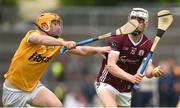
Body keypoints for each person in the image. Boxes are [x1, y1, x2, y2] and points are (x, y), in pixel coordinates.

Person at [2, 12, 111, 107]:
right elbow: (41, 39)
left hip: (33, 87)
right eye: (55, 24)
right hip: (14, 91)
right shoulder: (32, 35)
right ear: (44, 26)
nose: (58, 27)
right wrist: (63, 43)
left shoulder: (57, 43)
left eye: (59, 23)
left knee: (57, 105)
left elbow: (81, 50)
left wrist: (97, 49)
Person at [94, 8, 165, 107]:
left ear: (146, 24)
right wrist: (131, 78)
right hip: (107, 83)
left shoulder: (147, 44)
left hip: (126, 90)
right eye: (133, 20)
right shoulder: (118, 38)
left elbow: (148, 70)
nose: (136, 23)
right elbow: (111, 65)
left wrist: (153, 72)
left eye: (140, 21)